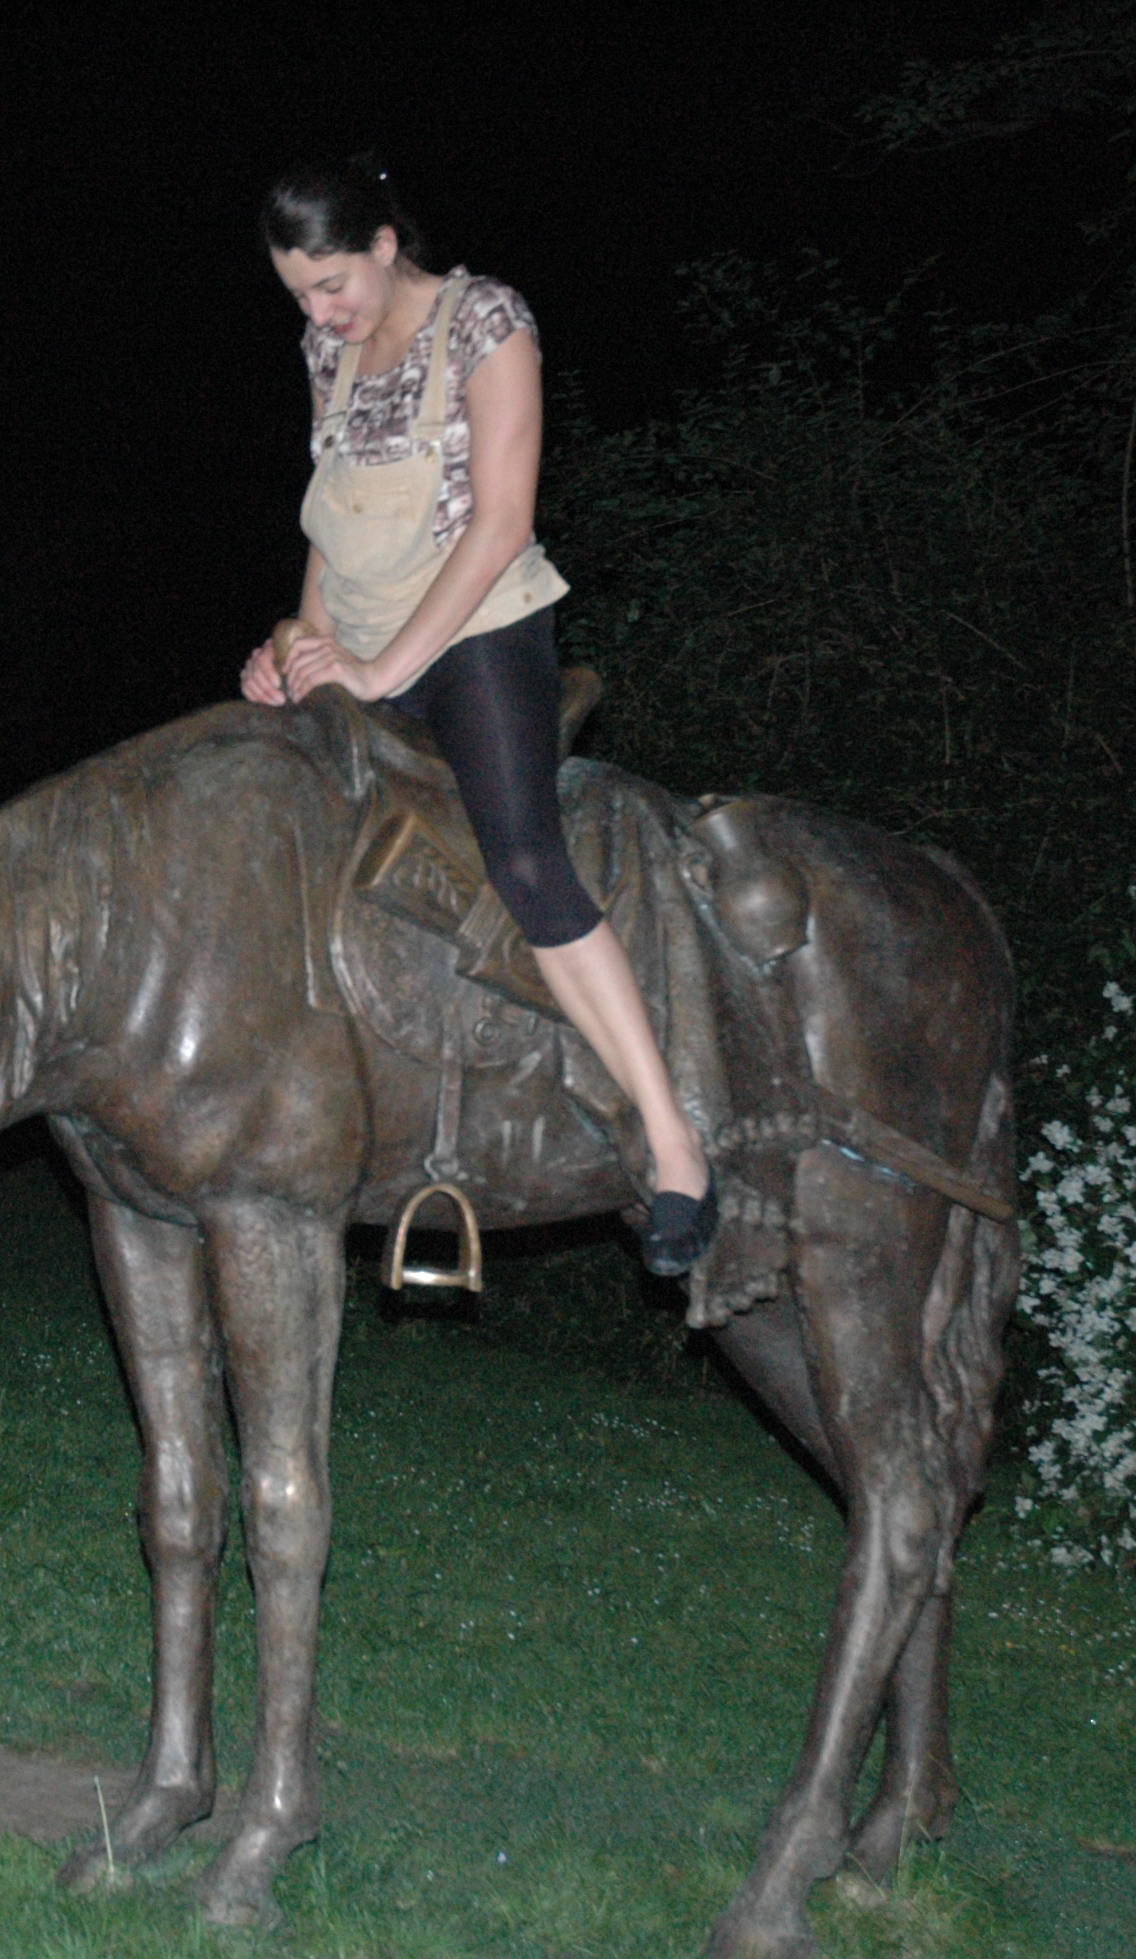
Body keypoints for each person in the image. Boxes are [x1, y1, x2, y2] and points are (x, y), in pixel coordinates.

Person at [239, 156, 715, 1275]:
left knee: (524, 858)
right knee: (253, 813)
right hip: (359, 645)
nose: (320, 313)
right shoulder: (325, 350)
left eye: (332, 286)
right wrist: (297, 647)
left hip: (478, 633)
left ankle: (671, 1138)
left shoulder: (488, 323)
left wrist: (377, 670)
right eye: (300, 295)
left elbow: (499, 524)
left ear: (384, 244)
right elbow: (331, 522)